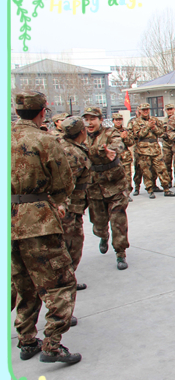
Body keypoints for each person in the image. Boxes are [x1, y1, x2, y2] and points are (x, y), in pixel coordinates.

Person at [11, 91, 81, 364]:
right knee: (60, 283)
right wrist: (58, 203)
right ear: (43, 111)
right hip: (37, 221)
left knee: (23, 283)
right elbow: (64, 182)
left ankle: (27, 340)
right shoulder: (45, 140)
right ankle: (52, 343)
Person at [83, 106, 130, 270]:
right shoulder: (81, 136)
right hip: (94, 186)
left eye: (92, 119)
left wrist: (112, 151)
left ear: (100, 120)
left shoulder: (110, 133)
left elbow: (119, 146)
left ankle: (120, 253)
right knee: (99, 224)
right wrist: (99, 152)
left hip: (114, 184)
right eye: (87, 119)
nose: (89, 123)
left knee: (118, 220)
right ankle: (103, 236)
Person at [58, 117, 92, 292]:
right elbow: (65, 185)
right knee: (71, 246)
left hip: (72, 207)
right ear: (82, 132)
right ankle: (65, 284)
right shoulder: (72, 154)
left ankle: (67, 279)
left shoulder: (63, 145)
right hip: (69, 210)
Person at [130, 103, 174, 199]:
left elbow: (161, 132)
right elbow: (138, 135)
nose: (146, 111)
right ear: (140, 111)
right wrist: (148, 127)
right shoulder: (136, 122)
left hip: (155, 148)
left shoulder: (155, 120)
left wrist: (155, 128)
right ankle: (149, 189)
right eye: (144, 109)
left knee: (162, 169)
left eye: (147, 109)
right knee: (147, 171)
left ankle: (166, 188)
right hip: (143, 150)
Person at [113, 114, 134, 202]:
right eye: (116, 119)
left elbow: (131, 142)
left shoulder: (126, 130)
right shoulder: (110, 132)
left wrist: (125, 139)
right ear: (113, 121)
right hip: (115, 157)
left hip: (125, 156)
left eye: (120, 119)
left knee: (127, 177)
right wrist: (120, 139)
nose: (118, 121)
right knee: (115, 177)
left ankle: (127, 193)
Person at [161, 103, 175, 189]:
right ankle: (168, 181)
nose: (170, 111)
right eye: (168, 109)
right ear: (166, 111)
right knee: (166, 164)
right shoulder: (163, 121)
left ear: (174, 109)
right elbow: (160, 132)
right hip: (167, 145)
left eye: (171, 109)